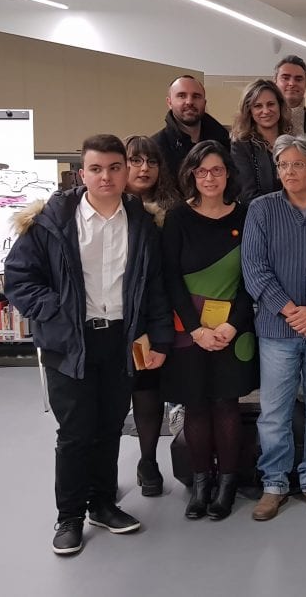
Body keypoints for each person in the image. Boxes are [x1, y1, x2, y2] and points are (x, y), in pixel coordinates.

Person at [4, 134, 173, 556]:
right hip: (70, 341)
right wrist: (58, 309)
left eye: (115, 168)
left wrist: (159, 338)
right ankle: (69, 517)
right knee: (76, 432)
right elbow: (19, 278)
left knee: (110, 425)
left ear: (126, 171)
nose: (106, 177)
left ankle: (102, 504)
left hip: (119, 340)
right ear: (82, 174)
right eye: (96, 169)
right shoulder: (51, 221)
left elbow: (154, 287)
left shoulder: (142, 222)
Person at [241, 133, 306, 522]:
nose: (288, 171)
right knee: (274, 412)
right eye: (282, 165)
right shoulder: (262, 209)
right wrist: (291, 312)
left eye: (297, 164)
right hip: (277, 328)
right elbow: (255, 269)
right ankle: (274, 484)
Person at [160, 141, 258, 521]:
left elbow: (252, 277)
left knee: (226, 404)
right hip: (190, 331)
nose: (210, 177)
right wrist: (197, 329)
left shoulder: (247, 216)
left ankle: (227, 485)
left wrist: (233, 325)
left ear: (228, 173)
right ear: (192, 175)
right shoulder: (177, 219)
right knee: (196, 405)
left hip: (234, 330)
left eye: (217, 169)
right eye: (202, 171)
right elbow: (170, 278)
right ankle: (202, 484)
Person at [122, 135, 181, 497]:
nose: (144, 169)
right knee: (109, 399)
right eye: (136, 161)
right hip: (111, 318)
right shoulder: (106, 206)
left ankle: (148, 461)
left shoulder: (170, 212)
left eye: (152, 162)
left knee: (148, 392)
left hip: (152, 316)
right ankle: (102, 472)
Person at [151, 75, 231, 188]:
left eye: (196, 96)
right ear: (169, 102)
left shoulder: (226, 142)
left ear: (204, 102)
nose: (189, 101)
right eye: (181, 96)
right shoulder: (155, 147)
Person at [230, 79, 294, 204]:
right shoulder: (240, 146)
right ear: (249, 110)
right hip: (259, 213)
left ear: (280, 106)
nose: (266, 111)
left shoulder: (292, 142)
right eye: (258, 106)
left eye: (271, 104)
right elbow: (247, 195)